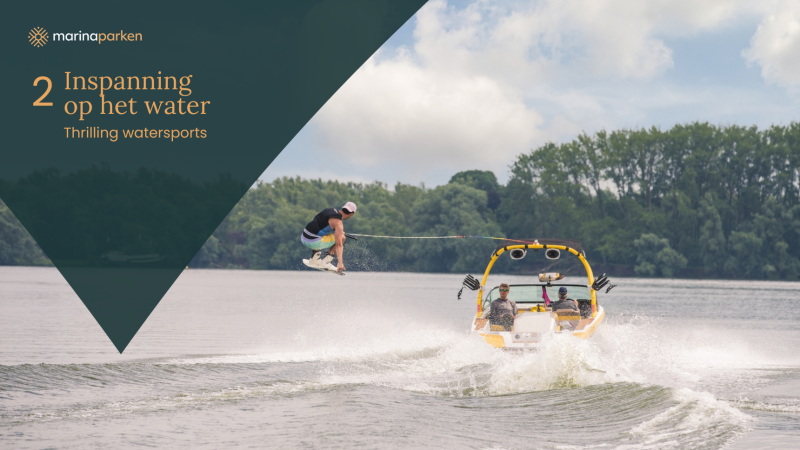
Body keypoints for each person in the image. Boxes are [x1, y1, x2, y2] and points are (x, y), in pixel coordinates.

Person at [301, 202, 356, 274]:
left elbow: (321, 226)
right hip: (313, 242)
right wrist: (340, 263)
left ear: (343, 208)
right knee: (342, 237)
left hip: (304, 238)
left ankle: (314, 259)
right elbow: (339, 245)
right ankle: (326, 262)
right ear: (351, 214)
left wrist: (337, 231)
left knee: (318, 233)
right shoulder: (338, 223)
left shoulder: (330, 210)